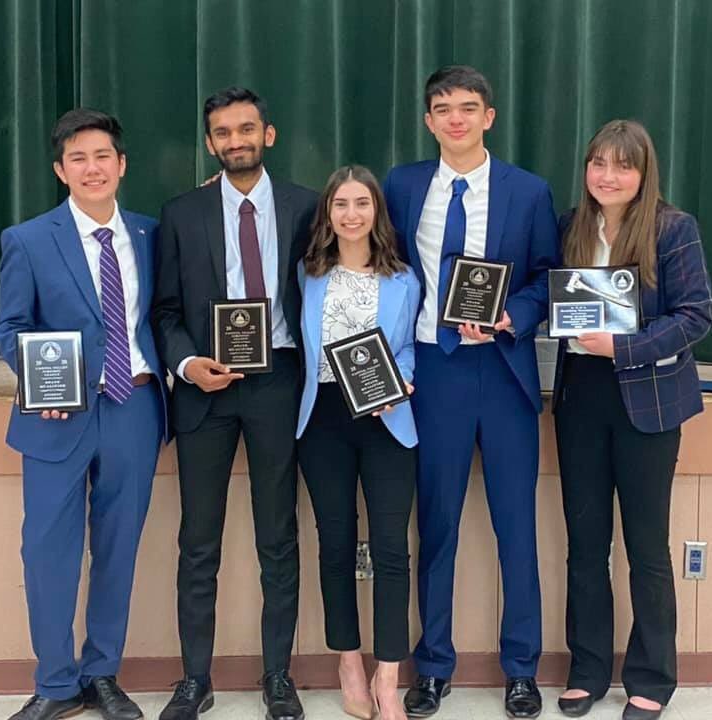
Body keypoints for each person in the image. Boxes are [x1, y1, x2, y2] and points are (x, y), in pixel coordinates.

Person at [383, 65, 560, 719]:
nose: (455, 118)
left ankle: (521, 669)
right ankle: (432, 666)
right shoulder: (401, 185)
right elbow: (381, 268)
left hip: (505, 372)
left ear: (489, 116)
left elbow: (546, 276)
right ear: (429, 121)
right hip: (433, 372)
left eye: (467, 107)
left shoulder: (528, 191)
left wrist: (515, 313)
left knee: (516, 527)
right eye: (442, 109)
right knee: (437, 525)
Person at [0, 108, 168, 720]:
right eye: (78, 159)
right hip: (55, 420)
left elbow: (165, 318)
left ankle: (102, 674)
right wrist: (51, 381)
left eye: (102, 157)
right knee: (46, 550)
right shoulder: (29, 239)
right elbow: (10, 329)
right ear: (59, 170)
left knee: (118, 548)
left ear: (121, 165)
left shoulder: (151, 234)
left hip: (134, 407)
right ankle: (55, 682)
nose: (92, 169)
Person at [151, 87, 317, 720]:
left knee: (277, 535)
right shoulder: (181, 213)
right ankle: (196, 677)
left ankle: (278, 675)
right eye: (223, 131)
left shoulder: (309, 207)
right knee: (199, 540)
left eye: (247, 128)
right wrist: (190, 364)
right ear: (210, 142)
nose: (236, 139)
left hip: (278, 383)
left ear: (267, 135)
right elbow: (164, 311)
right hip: (206, 390)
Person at [552, 119, 712, 720]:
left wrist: (622, 347)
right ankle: (587, 671)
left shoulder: (673, 229)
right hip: (580, 400)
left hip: (647, 398)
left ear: (643, 172)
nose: (608, 176)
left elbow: (696, 316)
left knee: (646, 546)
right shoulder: (570, 225)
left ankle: (651, 678)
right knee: (585, 545)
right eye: (598, 164)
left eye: (622, 166)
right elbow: (552, 301)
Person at [296, 166, 420, 720]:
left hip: (387, 419)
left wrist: (403, 381)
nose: (351, 215)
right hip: (323, 418)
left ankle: (388, 674)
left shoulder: (403, 280)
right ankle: (348, 660)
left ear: (377, 212)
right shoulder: (306, 274)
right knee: (336, 543)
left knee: (392, 547)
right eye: (340, 204)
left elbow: (411, 347)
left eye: (361, 204)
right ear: (328, 213)